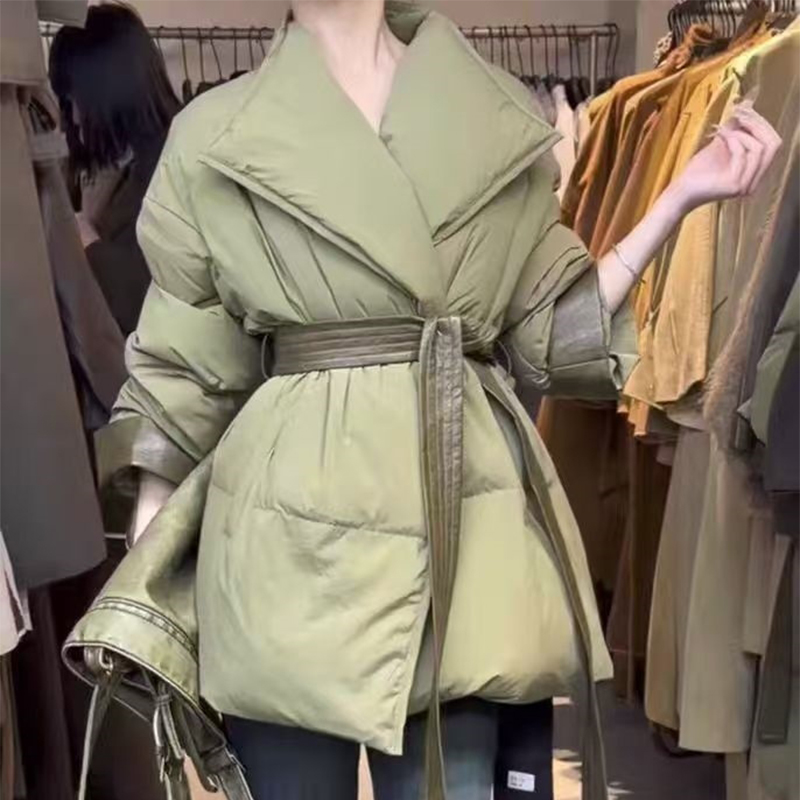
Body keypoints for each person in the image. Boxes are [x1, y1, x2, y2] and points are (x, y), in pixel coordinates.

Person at [101, 1, 781, 798]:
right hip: (284, 540)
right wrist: (147, 577)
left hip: (459, 515)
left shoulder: (492, 116)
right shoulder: (214, 134)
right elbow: (182, 369)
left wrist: (679, 195)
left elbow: (548, 332)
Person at [49, 2, 181, 335]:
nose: (73, 117)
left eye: (76, 100)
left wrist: (87, 241)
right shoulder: (101, 163)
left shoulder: (175, 167)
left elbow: (151, 301)